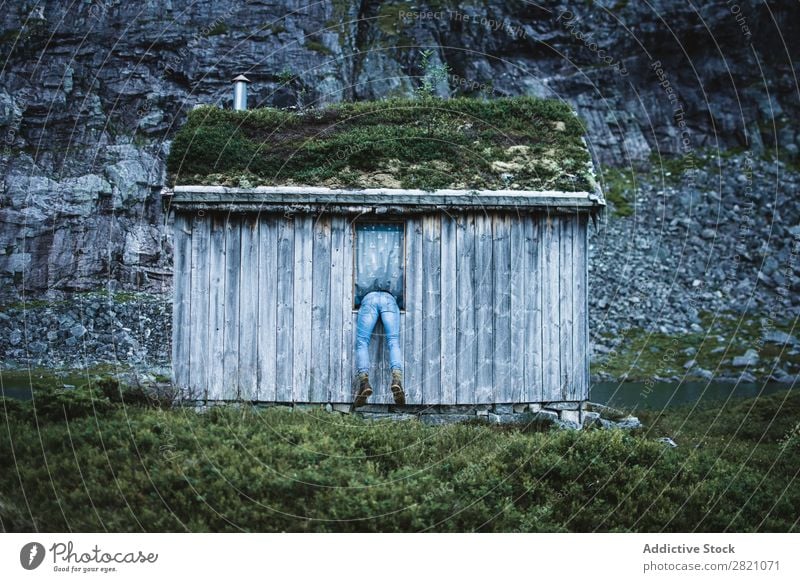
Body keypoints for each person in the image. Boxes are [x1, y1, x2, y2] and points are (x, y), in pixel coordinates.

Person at [353, 290, 405, 407]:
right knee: (393, 341)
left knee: (362, 342)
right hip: (389, 300)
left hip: (369, 299)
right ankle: (397, 380)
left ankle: (364, 383)